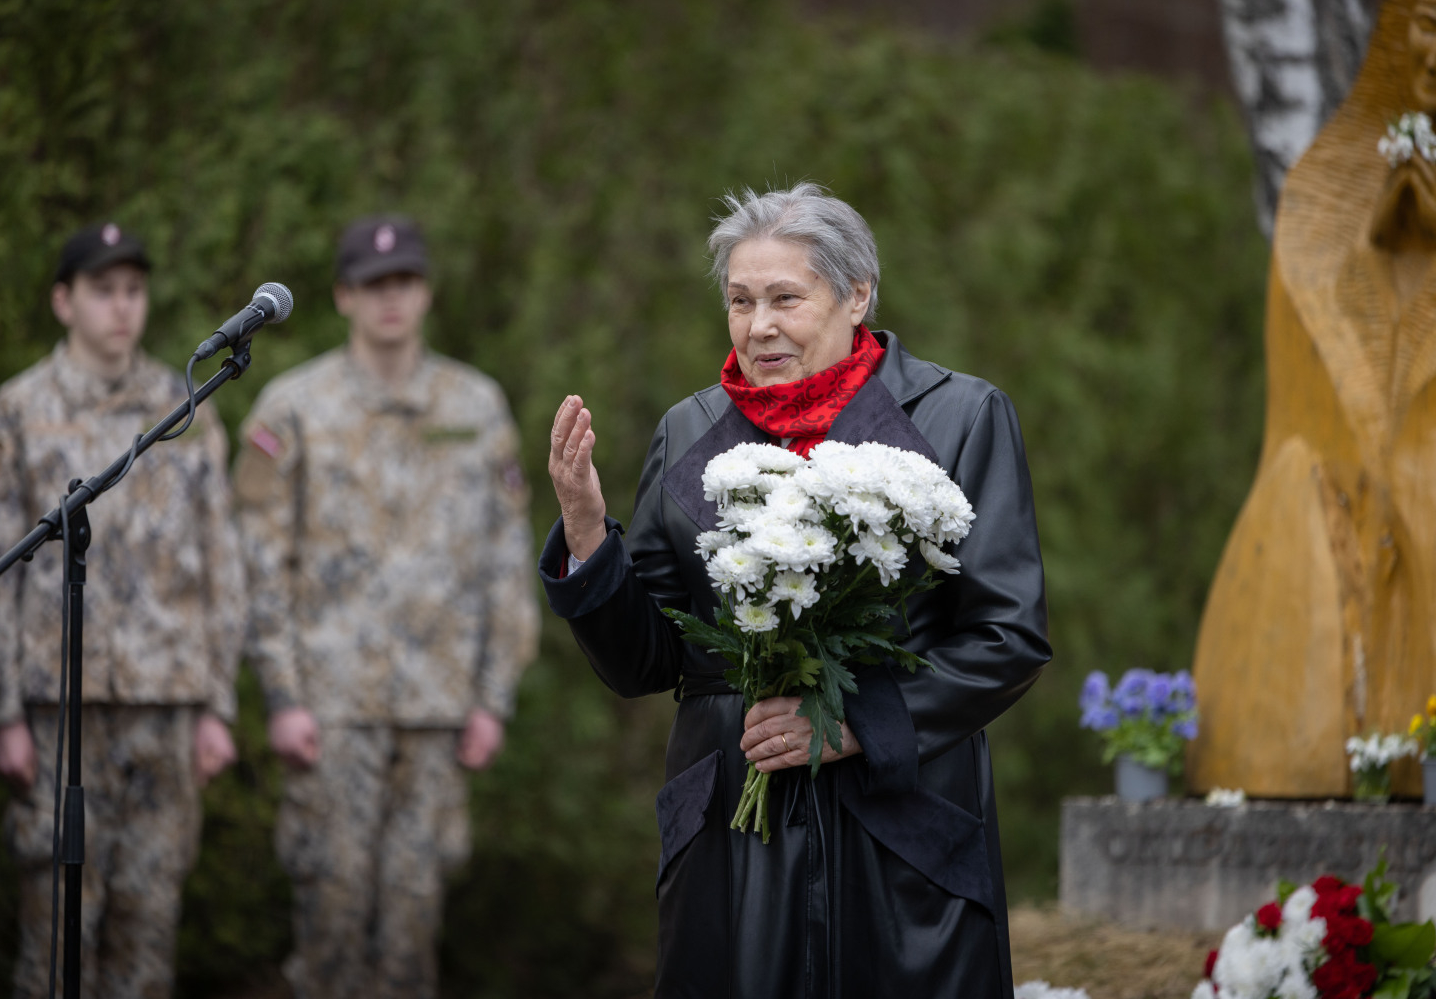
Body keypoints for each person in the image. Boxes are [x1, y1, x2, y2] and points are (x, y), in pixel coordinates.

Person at [543, 184, 1050, 998]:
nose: (759, 326)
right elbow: (647, 660)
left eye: (785, 298)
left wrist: (858, 723)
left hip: (901, 834)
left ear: (858, 295)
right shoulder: (692, 430)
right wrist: (586, 534)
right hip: (731, 841)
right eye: (740, 301)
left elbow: (1008, 635)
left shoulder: (960, 416)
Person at [233, 214, 539, 999]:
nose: (389, 299)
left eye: (403, 281)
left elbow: (506, 562)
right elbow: (260, 564)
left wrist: (492, 698)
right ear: (343, 296)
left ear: (426, 291)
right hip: (331, 712)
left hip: (439, 711)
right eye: (373, 285)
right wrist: (283, 696)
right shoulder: (293, 408)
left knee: (410, 944)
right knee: (329, 942)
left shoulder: (476, 406)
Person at [1189, 0, 1436, 798]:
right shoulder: (1329, 177)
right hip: (1342, 490)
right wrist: (1379, 240)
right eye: (1427, 28)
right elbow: (1314, 340)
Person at [0, 222, 245, 999]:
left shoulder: (184, 405)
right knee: (57, 947)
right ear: (63, 302)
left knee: (147, 943)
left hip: (166, 710)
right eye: (103, 291)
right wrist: (2, 713)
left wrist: (217, 705)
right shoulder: (17, 412)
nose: (122, 306)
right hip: (58, 712)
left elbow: (221, 561)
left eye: (133, 290)